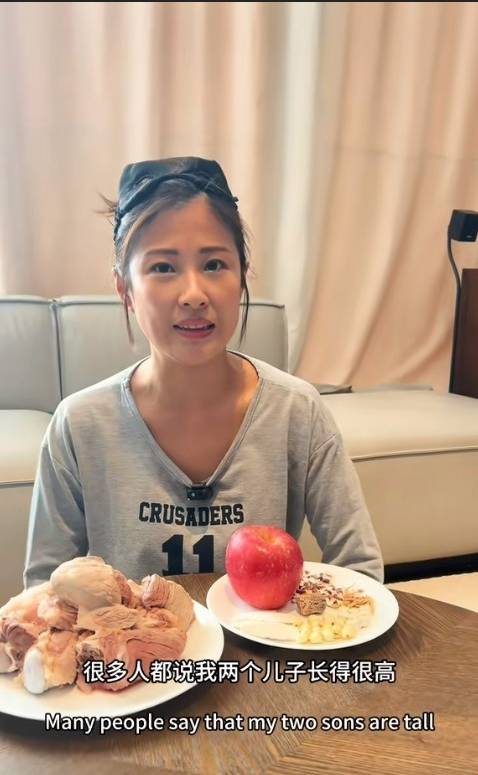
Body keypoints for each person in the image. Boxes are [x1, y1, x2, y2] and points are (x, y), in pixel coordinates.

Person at [23, 156, 384, 587]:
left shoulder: (297, 411)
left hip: (261, 635)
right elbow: (43, 591)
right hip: (130, 634)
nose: (194, 295)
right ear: (125, 289)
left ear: (242, 276)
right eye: (163, 267)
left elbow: (361, 569)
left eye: (214, 264)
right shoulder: (79, 425)